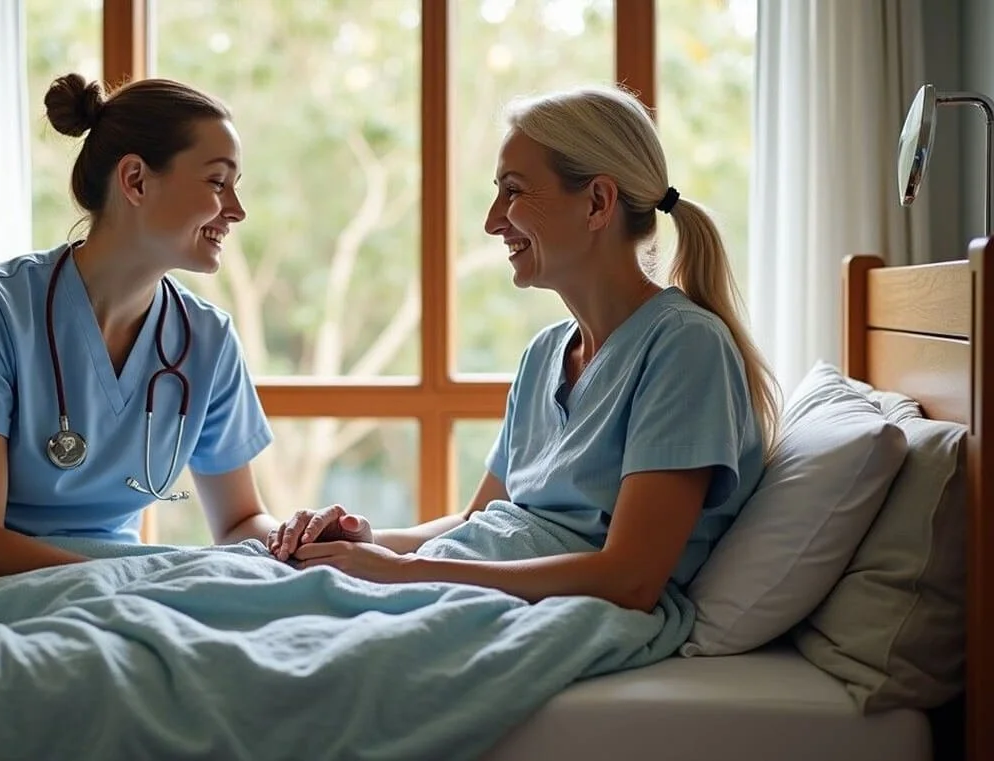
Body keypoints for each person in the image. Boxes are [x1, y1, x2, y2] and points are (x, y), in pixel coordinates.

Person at [268, 85, 781, 612]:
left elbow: (630, 578)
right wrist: (365, 545)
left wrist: (402, 573)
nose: (492, 220)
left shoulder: (685, 347)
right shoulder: (545, 354)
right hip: (463, 582)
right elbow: (477, 522)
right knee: (240, 574)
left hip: (535, 611)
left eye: (513, 191)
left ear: (598, 203)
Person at [0, 74, 298, 579]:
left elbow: (240, 521)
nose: (237, 211)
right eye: (217, 182)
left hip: (90, 563)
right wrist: (130, 582)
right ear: (135, 180)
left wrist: (298, 537)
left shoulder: (208, 341)